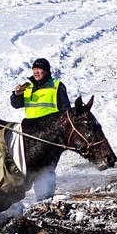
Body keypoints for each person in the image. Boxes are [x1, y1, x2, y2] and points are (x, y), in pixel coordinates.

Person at [10, 57, 70, 200]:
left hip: (50, 135)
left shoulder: (56, 86)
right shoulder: (28, 86)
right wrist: (16, 95)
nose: (36, 72)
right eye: (34, 69)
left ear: (47, 71)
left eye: (39, 69)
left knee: (45, 168)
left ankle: (45, 199)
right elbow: (16, 104)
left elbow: (65, 110)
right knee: (28, 167)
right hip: (31, 134)